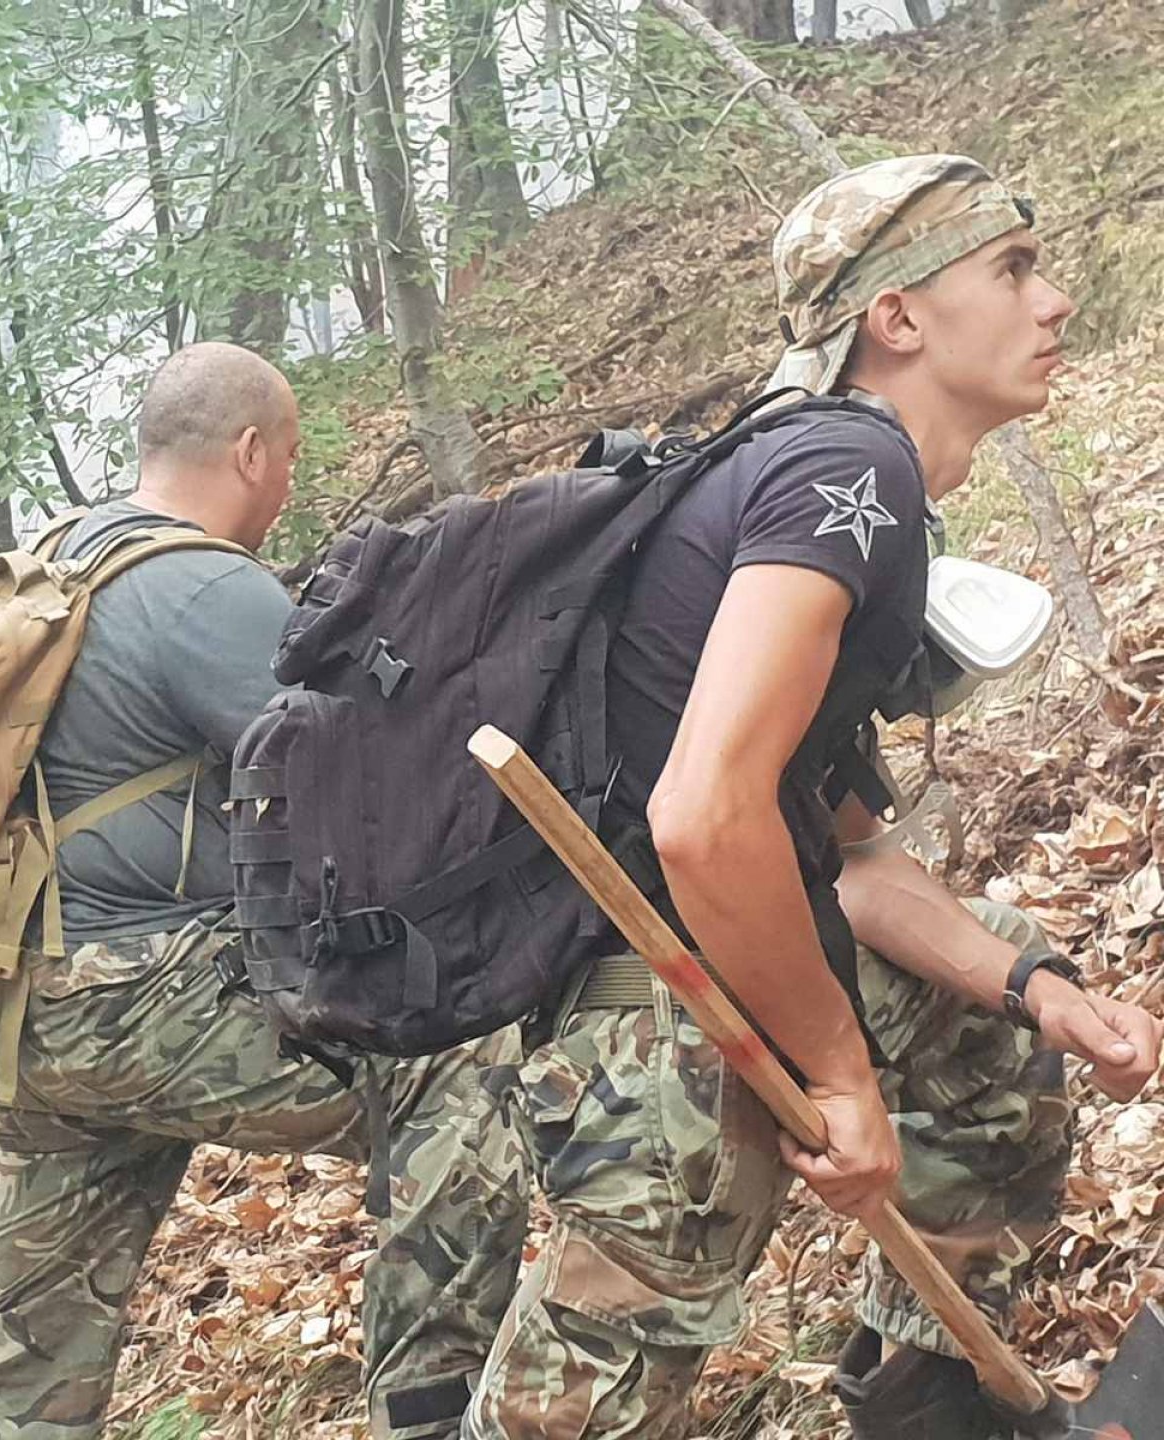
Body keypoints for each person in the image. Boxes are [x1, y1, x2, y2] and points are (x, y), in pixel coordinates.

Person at [463, 155, 1163, 1439]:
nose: (1055, 301)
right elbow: (704, 815)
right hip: (653, 1006)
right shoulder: (851, 473)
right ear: (896, 319)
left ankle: (926, 1404)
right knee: (576, 1413)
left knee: (990, 1000)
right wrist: (841, 1076)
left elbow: (846, 862)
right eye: (1011, 270)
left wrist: (1041, 993)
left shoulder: (812, 480)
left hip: (709, 962)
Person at [0, 342, 531, 1440]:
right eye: (290, 459)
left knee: (21, 1362)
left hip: (5, 1006)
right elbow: (364, 780)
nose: (290, 486)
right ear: (250, 451)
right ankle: (432, 1411)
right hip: (129, 998)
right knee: (454, 1058)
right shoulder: (204, 583)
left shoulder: (53, 560)